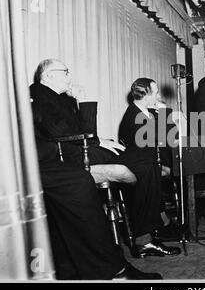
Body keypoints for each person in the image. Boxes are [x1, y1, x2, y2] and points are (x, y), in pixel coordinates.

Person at [30, 59, 178, 259]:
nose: (69, 76)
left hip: (81, 149)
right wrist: (83, 104)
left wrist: (100, 140)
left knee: (147, 162)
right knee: (145, 163)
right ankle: (146, 238)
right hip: (68, 159)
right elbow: (62, 133)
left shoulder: (59, 98)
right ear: (48, 75)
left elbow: (82, 132)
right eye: (65, 72)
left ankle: (149, 235)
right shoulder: (39, 94)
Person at [35, 137, 161, 280]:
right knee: (79, 182)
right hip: (62, 152)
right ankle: (113, 270)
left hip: (53, 152)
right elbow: (59, 133)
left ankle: (145, 239)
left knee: (148, 161)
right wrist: (96, 142)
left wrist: (99, 141)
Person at [118, 78, 182, 249]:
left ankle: (163, 223)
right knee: (154, 169)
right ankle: (148, 236)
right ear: (146, 95)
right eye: (155, 93)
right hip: (142, 164)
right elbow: (159, 138)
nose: (159, 96)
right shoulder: (133, 115)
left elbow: (169, 137)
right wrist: (165, 113)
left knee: (176, 165)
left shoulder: (146, 112)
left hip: (152, 161)